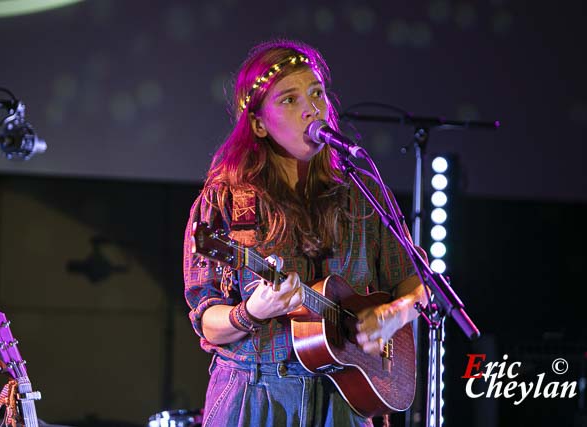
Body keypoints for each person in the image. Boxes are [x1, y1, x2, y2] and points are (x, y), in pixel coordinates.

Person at [183, 38, 427, 427]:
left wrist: (392, 315)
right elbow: (206, 315)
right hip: (256, 397)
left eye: (317, 93)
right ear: (260, 124)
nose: (311, 108)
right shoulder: (225, 198)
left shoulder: (361, 193)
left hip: (346, 396)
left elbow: (416, 282)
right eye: (289, 100)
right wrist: (251, 312)